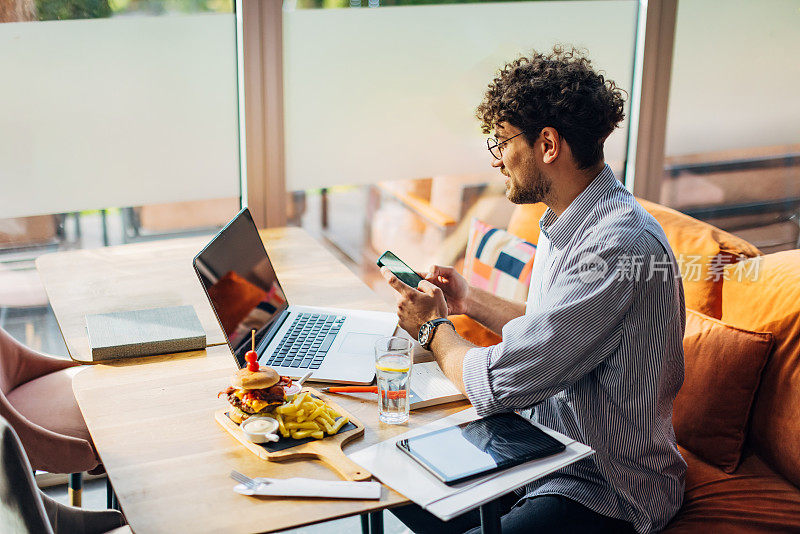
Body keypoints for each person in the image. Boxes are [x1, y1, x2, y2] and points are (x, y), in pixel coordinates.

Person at [382, 46, 686, 533]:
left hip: (604, 485)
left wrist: (436, 329)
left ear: (548, 144)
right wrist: (466, 300)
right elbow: (553, 328)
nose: (498, 160)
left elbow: (499, 382)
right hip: (541, 446)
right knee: (390, 488)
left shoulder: (616, 245)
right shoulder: (569, 218)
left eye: (502, 142)